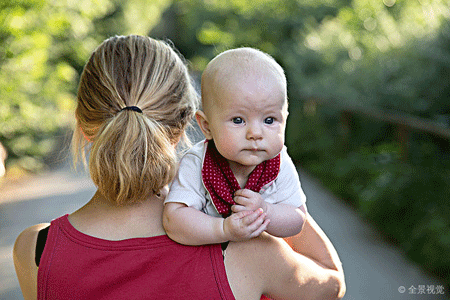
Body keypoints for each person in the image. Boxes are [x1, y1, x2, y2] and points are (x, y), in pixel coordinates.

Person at [13, 35, 345, 300]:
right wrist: (278, 185)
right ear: (187, 125)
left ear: (83, 126)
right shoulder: (248, 250)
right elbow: (332, 283)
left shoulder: (37, 251)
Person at [163, 47, 307, 245]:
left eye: (270, 120)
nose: (255, 133)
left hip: (260, 264)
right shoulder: (198, 163)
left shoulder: (279, 164)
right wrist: (223, 229)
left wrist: (267, 210)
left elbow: (298, 218)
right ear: (207, 126)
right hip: (211, 264)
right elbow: (174, 219)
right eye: (238, 120)